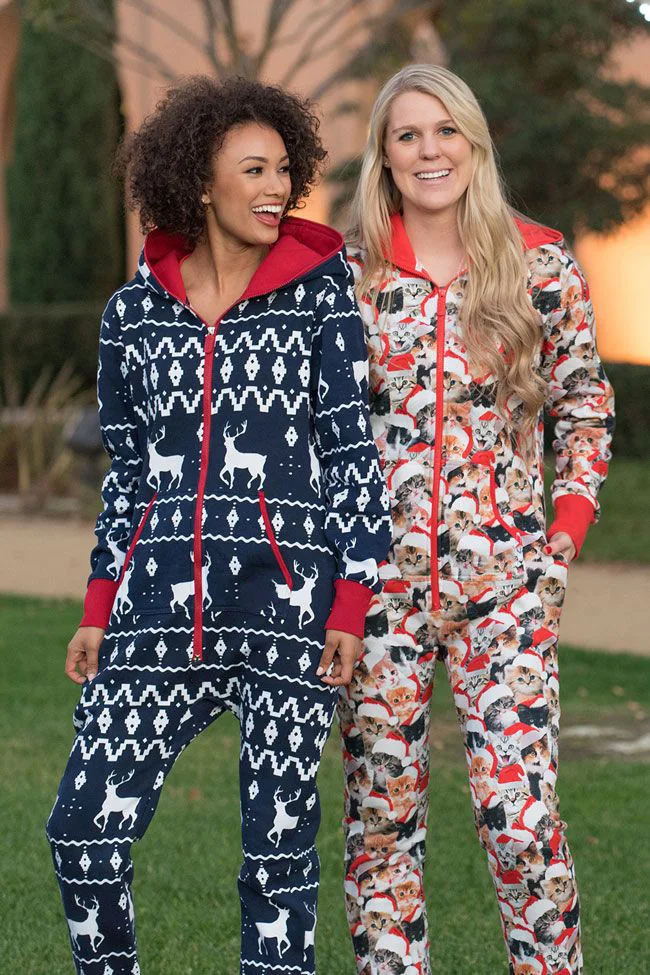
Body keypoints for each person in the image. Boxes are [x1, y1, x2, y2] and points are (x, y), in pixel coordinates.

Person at [46, 75, 391, 975]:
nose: (277, 188)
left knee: (278, 861)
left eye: (284, 169)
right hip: (157, 610)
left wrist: (352, 601)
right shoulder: (133, 316)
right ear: (200, 182)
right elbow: (128, 477)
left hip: (289, 609)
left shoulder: (319, 299)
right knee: (81, 831)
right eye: (254, 170)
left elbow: (351, 455)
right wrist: (99, 603)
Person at [337, 64, 614, 975]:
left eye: (445, 130)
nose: (429, 151)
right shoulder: (349, 277)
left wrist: (564, 535)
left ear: (474, 141)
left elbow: (584, 405)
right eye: (408, 134)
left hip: (508, 586)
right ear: (384, 153)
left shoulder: (542, 264)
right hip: (378, 591)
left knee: (522, 823)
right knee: (382, 824)